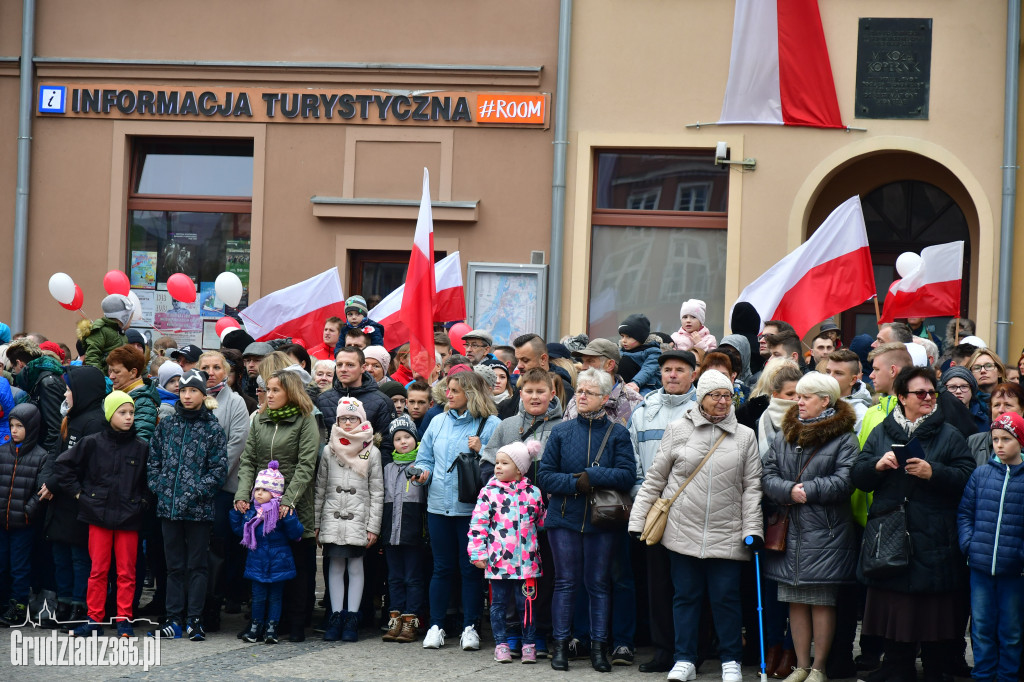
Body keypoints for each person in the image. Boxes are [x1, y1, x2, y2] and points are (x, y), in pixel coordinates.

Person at [627, 369, 763, 682]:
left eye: (727, 395)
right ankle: (684, 659)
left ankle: (730, 660)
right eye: (716, 395)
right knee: (685, 597)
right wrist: (638, 521)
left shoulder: (745, 436)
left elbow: (752, 487)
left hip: (727, 532)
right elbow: (655, 480)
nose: (723, 401)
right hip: (681, 529)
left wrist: (752, 530)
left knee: (725, 598)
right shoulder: (677, 430)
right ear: (701, 397)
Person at [852, 366, 974, 682]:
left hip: (934, 534)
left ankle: (934, 668)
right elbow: (859, 476)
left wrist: (933, 472)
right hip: (890, 531)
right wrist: (877, 466)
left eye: (932, 393)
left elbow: (967, 477)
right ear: (901, 397)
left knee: (932, 608)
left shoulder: (949, 433)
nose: (928, 398)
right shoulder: (881, 432)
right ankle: (896, 665)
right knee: (895, 603)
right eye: (920, 393)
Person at [761, 373, 859, 682]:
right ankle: (801, 666)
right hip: (790, 532)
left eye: (805, 397)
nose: (798, 402)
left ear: (825, 401)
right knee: (795, 601)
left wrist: (808, 490)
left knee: (821, 602)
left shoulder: (844, 436)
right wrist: (788, 490)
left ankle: (819, 668)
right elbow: (767, 474)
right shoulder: (785, 432)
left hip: (826, 533)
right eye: (798, 396)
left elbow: (846, 480)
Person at [538, 368, 635, 672]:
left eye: (589, 392)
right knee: (565, 583)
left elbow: (626, 474)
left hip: (602, 520)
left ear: (605, 398)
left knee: (598, 584)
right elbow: (544, 477)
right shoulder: (561, 432)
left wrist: (592, 477)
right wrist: (573, 484)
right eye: (580, 391)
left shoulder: (618, 432)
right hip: (564, 517)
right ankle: (561, 647)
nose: (581, 396)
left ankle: (598, 649)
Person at [411, 371, 499, 651]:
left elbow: (503, 463)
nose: (447, 395)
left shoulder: (491, 423)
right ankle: (435, 626)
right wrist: (422, 474)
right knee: (441, 568)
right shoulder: (437, 421)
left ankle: (470, 627)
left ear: (470, 394)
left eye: (454, 391)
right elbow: (424, 458)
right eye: (447, 389)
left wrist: (483, 448)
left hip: (473, 510)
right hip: (437, 506)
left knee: (470, 570)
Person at [479, 367, 563, 657]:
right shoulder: (507, 425)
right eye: (529, 391)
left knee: (541, 578)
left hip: (545, 518)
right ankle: (512, 633)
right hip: (508, 522)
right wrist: (504, 484)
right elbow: (487, 464)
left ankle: (538, 633)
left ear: (552, 393)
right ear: (520, 393)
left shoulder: (562, 425)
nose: (535, 396)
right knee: (508, 583)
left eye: (541, 391)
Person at [234, 368, 320, 642]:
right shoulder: (260, 419)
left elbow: (307, 464)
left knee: (297, 564)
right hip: (261, 503)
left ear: (290, 393)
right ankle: (267, 622)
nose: (267, 395)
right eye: (266, 389)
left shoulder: (305, 419)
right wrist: (243, 493)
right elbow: (248, 460)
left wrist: (288, 501)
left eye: (274, 390)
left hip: (293, 502)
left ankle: (296, 624)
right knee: (264, 562)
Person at [626, 349, 698, 673]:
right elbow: (634, 463)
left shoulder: (703, 409)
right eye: (667, 369)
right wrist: (647, 498)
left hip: (693, 512)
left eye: (679, 369)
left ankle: (692, 650)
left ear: (692, 374)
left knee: (690, 587)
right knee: (657, 586)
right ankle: (663, 649)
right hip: (655, 512)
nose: (672, 374)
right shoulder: (644, 410)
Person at [56, 392, 149, 637]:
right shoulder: (92, 442)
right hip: (98, 516)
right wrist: (79, 495)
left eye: (131, 413)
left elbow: (150, 481)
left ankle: (124, 620)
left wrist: (143, 502)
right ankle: (94, 620)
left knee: (126, 572)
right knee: (98, 570)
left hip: (129, 518)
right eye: (123, 412)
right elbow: (63, 466)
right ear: (110, 415)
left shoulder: (141, 447)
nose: (129, 417)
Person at [147, 369, 228, 641]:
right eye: (183, 390)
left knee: (197, 565)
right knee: (173, 566)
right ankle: (173, 619)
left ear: (203, 395)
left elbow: (218, 470)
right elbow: (154, 460)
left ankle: (195, 619)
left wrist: (194, 492)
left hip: (198, 509)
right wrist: (160, 487)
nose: (187, 395)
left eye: (193, 391)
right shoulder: (167, 425)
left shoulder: (212, 428)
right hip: (168, 508)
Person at [957, 411, 1024, 682]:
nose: (999, 445)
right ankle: (983, 675)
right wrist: (970, 545)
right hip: (981, 567)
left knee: (1011, 630)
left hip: (1014, 571)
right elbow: (965, 513)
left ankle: (1008, 676)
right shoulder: (981, 474)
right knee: (982, 627)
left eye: (1006, 439)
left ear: (1020, 441)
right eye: (995, 439)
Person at [468, 440, 545, 664]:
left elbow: (541, 521)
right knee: (498, 604)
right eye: (497, 463)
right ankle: (501, 643)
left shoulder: (534, 493)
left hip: (527, 562)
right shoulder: (488, 493)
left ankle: (529, 643)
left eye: (504, 463)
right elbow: (478, 525)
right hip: (498, 561)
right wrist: (478, 553)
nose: (498, 467)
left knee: (527, 604)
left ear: (520, 469)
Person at [40, 365, 106, 625]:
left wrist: (53, 484)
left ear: (83, 391)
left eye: (69, 389)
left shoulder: (94, 422)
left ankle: (80, 605)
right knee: (61, 556)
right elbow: (55, 455)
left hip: (78, 500)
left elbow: (80, 462)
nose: (66, 394)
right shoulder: (70, 418)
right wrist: (45, 481)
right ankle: (64, 602)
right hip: (59, 501)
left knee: (80, 558)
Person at [315, 397, 384, 643]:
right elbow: (320, 487)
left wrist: (373, 526)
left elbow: (377, 491)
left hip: (358, 519)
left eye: (353, 418)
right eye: (343, 418)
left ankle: (352, 617)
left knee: (356, 567)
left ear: (362, 420)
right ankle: (335, 615)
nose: (348, 422)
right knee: (335, 566)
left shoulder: (372, 451)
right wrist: (317, 522)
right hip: (332, 517)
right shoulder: (329, 449)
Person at [231, 461, 305, 645]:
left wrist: (289, 518)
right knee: (257, 597)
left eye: (264, 490)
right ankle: (256, 625)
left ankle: (272, 627)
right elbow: (240, 531)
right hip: (257, 563)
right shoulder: (251, 512)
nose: (259, 493)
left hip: (279, 562)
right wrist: (235, 514)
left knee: (275, 597)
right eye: (257, 489)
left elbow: (296, 534)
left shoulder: (281, 511)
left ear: (275, 493)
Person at [380, 415, 427, 644]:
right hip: (390, 532)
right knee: (394, 577)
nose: (403, 442)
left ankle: (411, 620)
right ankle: (395, 618)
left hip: (413, 532)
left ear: (415, 440)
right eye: (398, 438)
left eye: (407, 437)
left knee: (413, 577)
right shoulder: (387, 468)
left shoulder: (421, 467)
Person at [0, 404, 48, 625]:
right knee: (2, 563)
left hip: (24, 524)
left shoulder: (41, 456)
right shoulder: (2, 452)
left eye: (20, 426)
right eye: (12, 425)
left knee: (20, 566)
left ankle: (18, 605)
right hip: (2, 520)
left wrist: (28, 512)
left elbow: (40, 491)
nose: (15, 430)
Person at [316, 346, 397, 464]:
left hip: (365, 474)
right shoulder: (323, 400)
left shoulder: (382, 402)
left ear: (363, 368)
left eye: (350, 365)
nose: (343, 369)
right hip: (330, 473)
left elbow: (387, 448)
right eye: (339, 365)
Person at [7, 338, 65, 454]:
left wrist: (45, 460)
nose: (14, 373)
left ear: (20, 363)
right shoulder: (39, 380)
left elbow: (54, 429)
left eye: (13, 368)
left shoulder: (47, 383)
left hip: (44, 454)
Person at [565, 339, 643, 425]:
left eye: (590, 361)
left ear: (610, 365)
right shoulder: (576, 399)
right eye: (583, 361)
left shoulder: (634, 401)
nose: (583, 367)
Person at [106, 345, 160, 443]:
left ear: (133, 373)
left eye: (117, 372)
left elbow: (141, 443)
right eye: (110, 371)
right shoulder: (113, 393)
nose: (111, 376)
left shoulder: (144, 402)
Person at [78, 293, 132, 372]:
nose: (131, 321)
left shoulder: (121, 334)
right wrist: (101, 379)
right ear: (124, 317)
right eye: (130, 317)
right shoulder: (101, 330)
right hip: (106, 379)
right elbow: (92, 357)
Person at [825, 349, 872, 434]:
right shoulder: (815, 403)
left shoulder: (861, 415)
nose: (830, 377)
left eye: (838, 373)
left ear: (853, 380)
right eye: (828, 372)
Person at [513, 334, 573, 400]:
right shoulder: (521, 385)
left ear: (543, 359)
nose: (519, 366)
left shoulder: (563, 389)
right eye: (517, 360)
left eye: (525, 360)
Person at [617, 313, 662, 396]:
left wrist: (635, 383)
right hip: (626, 385)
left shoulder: (654, 352)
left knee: (642, 401)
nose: (624, 340)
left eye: (628, 337)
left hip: (647, 387)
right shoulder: (621, 351)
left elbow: (647, 370)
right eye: (622, 336)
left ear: (640, 337)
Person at [939, 366, 989, 433]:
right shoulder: (937, 419)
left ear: (972, 390)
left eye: (964, 386)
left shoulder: (985, 421)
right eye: (952, 387)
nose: (958, 391)